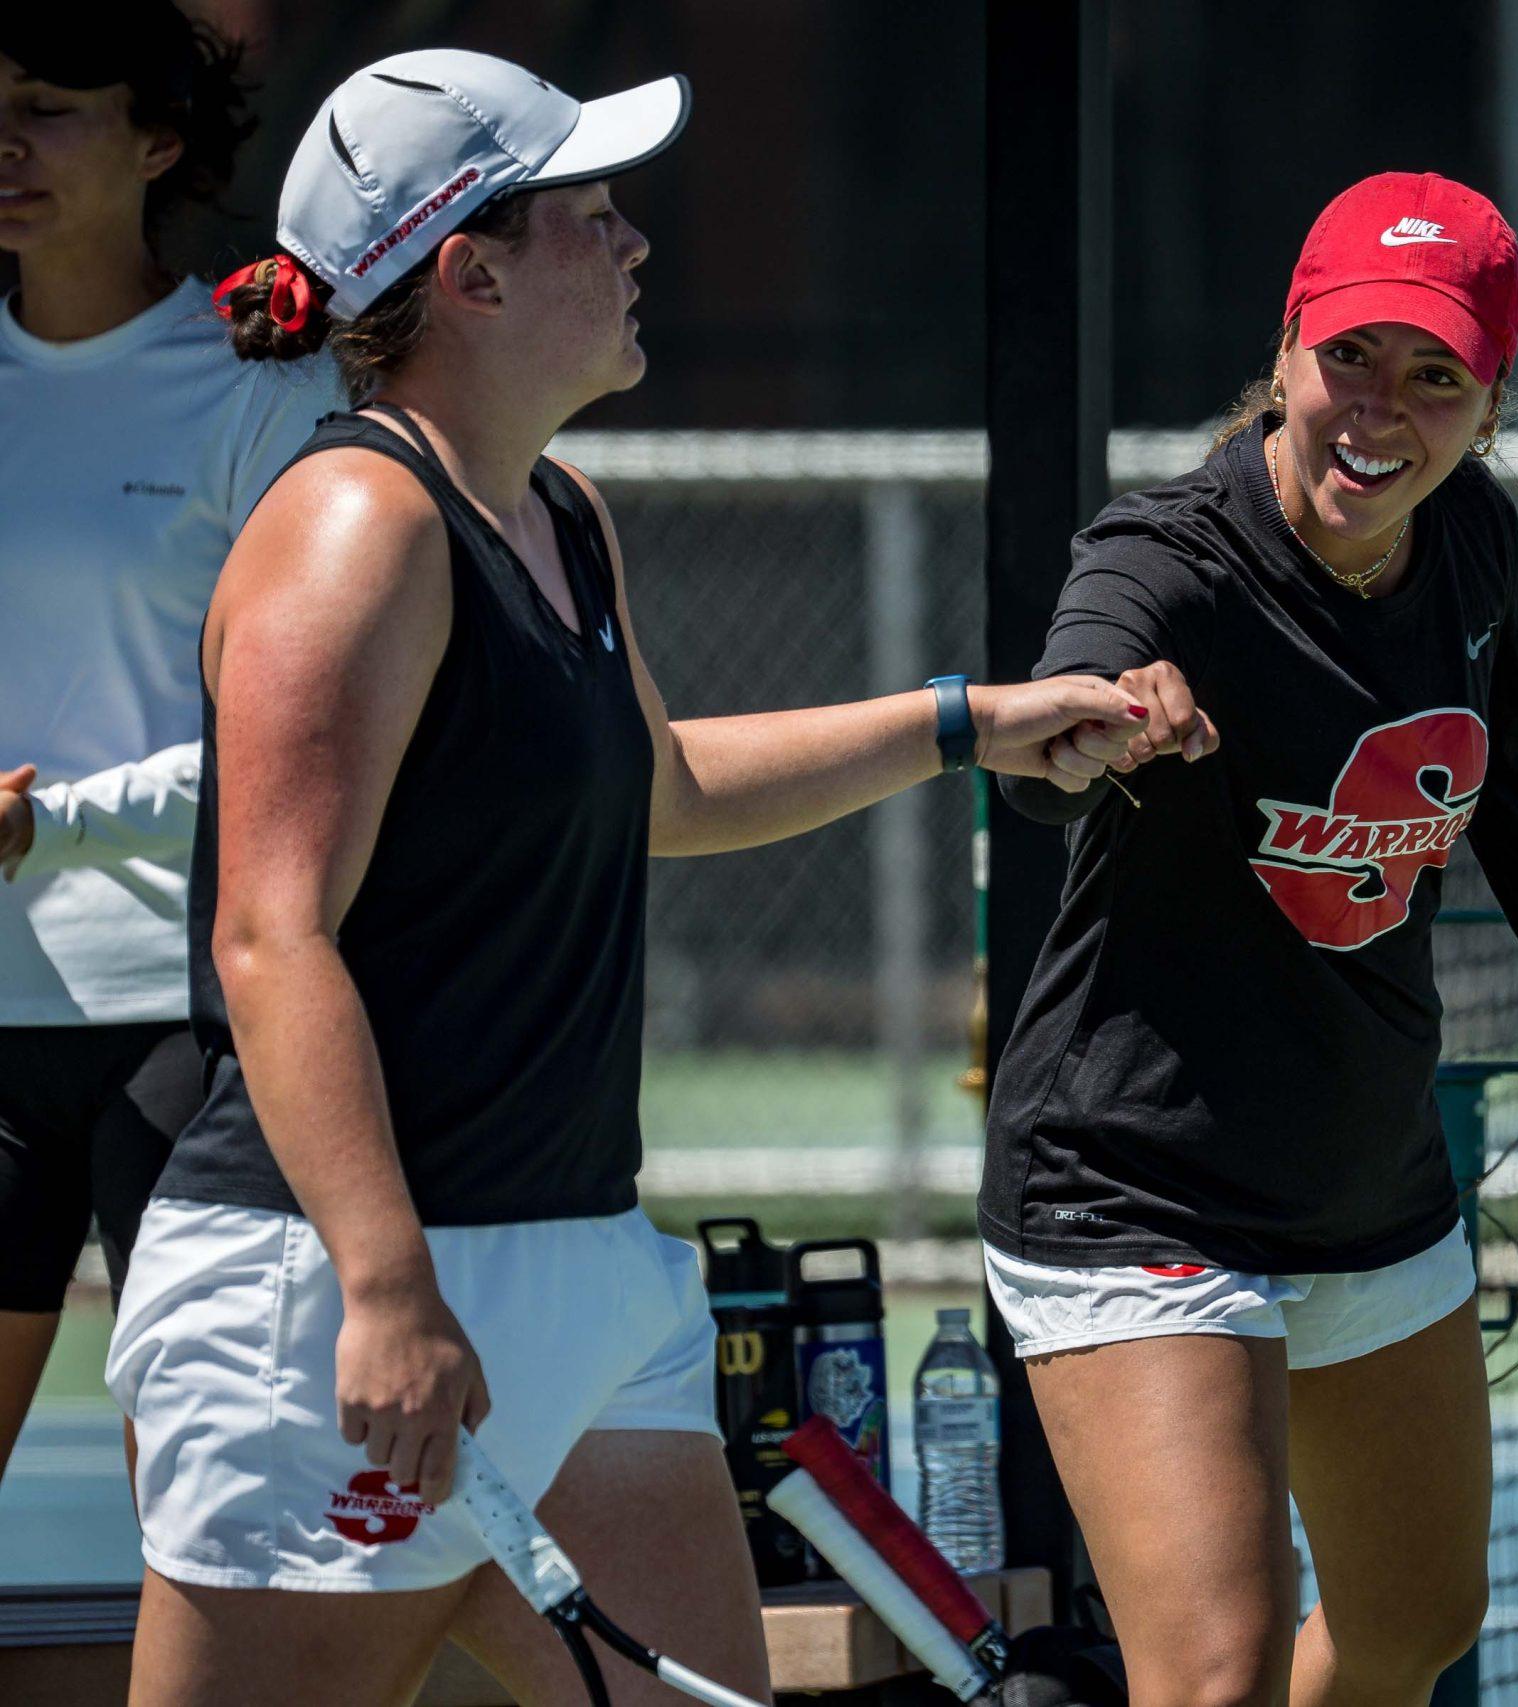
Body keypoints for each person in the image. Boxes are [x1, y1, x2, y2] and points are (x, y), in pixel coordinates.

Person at [102, 50, 1154, 1705]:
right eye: (594, 216)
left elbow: (664, 787)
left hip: (590, 1268)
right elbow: (269, 933)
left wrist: (967, 722)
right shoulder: (351, 529)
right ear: (475, 271)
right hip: (336, 1294)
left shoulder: (562, 513)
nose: (636, 244)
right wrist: (387, 1285)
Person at [985, 171, 1518, 1707]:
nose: (1381, 410)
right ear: (1289, 350)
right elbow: (1065, 706)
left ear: (1490, 406)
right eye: (1354, 357)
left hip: (1368, 1181)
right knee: (1217, 1679)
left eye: (1436, 375)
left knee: (1409, 1631)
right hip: (1137, 1185)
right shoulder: (1167, 558)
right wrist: (1095, 728)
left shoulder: (1469, 547)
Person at [0, 4, 341, 1482]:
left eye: (50, 106)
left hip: (190, 1033)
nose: (5, 140)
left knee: (203, 1535)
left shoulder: (264, 387)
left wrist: (50, 826)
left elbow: (304, 752)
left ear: (158, 141)